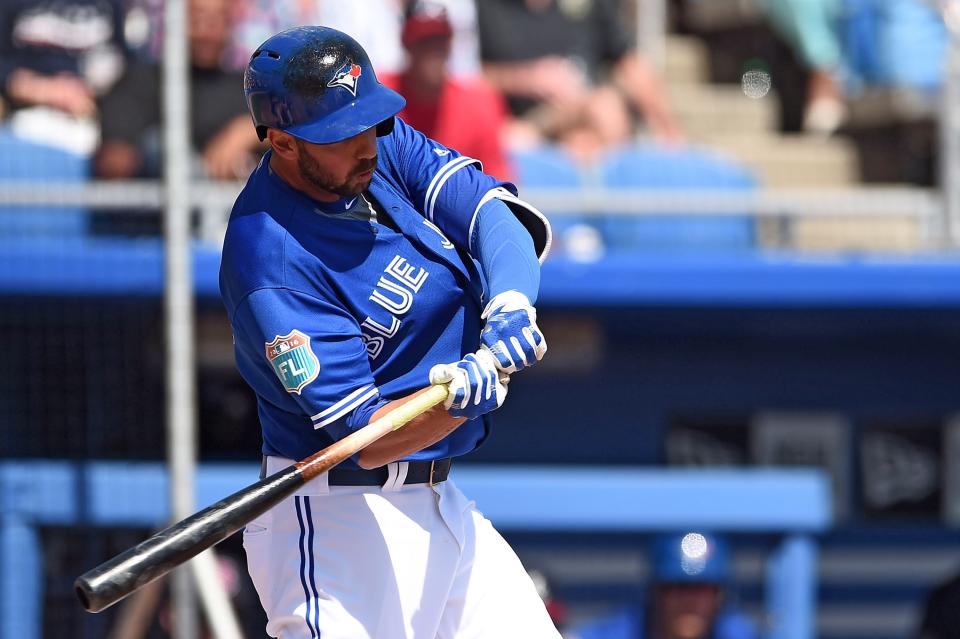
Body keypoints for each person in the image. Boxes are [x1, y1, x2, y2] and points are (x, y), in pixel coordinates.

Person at [219, 25, 558, 638]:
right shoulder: (268, 257)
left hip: (441, 504)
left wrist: (511, 303)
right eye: (339, 135)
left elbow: (493, 217)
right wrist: (467, 395)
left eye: (367, 123)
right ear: (284, 142)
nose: (365, 143)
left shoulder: (377, 142)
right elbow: (363, 438)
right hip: (339, 522)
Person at [476, 0, 682, 161]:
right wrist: (528, 79)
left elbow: (630, 62)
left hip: (582, 118)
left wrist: (668, 132)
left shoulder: (590, 6)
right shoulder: (485, 8)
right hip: (519, 122)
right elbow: (465, 76)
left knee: (599, 120)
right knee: (603, 109)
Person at [95, 0, 261, 180]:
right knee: (157, 146)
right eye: (196, 19)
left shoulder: (247, 88)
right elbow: (113, 162)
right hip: (156, 205)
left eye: (217, 20)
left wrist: (247, 131)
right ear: (173, 22)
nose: (206, 31)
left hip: (230, 205)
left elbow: (287, 132)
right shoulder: (138, 82)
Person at [380, 1, 514, 180]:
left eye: (439, 42)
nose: (433, 53)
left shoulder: (480, 103)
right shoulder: (380, 96)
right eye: (423, 42)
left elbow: (499, 180)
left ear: (450, 46)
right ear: (405, 43)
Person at [570, 532, 759, 639]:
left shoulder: (737, 633)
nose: (690, 602)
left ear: (719, 595)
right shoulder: (619, 632)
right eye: (679, 587)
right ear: (656, 591)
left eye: (702, 588)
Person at [0, 0, 127, 155]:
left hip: (92, 118)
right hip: (21, 118)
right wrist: (42, 90)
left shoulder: (111, 5)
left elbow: (124, 62)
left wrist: (85, 91)